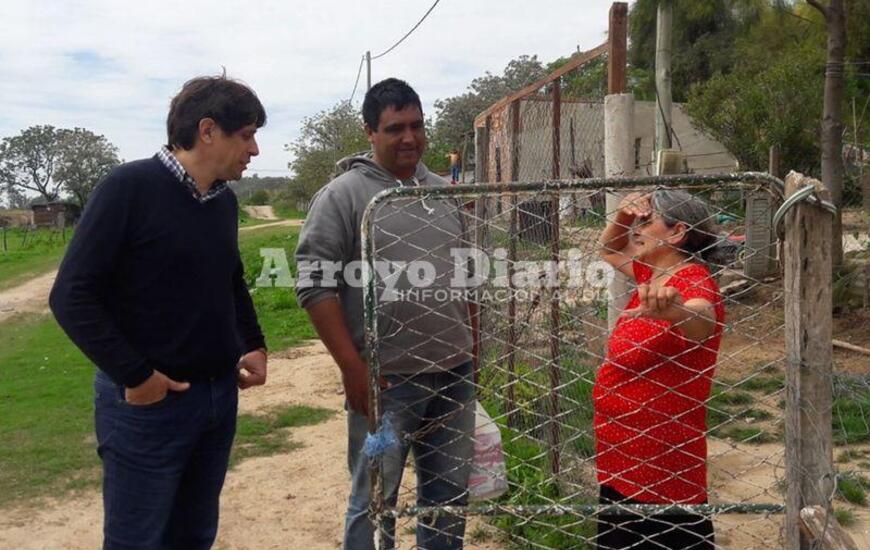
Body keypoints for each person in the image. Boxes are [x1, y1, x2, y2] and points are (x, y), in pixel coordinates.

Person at [49, 75, 269, 550]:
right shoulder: (128, 188)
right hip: (148, 408)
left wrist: (253, 343)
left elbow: (230, 280)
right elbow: (71, 295)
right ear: (207, 130)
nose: (254, 150)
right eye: (247, 135)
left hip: (218, 398)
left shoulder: (223, 202)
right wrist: (136, 376)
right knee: (137, 541)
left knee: (193, 536)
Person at [295, 78, 475, 550]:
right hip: (387, 381)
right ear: (370, 132)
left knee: (448, 498)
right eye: (395, 128)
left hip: (454, 375)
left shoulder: (444, 192)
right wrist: (353, 369)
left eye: (417, 126)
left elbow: (468, 274)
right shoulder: (343, 196)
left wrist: (472, 349)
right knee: (375, 502)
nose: (409, 138)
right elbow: (314, 285)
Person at [593, 190, 725, 550]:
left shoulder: (692, 280)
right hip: (622, 455)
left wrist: (678, 312)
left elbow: (703, 319)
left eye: (646, 222)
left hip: (659, 465)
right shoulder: (652, 274)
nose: (636, 229)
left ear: (677, 232)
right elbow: (609, 249)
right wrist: (623, 215)